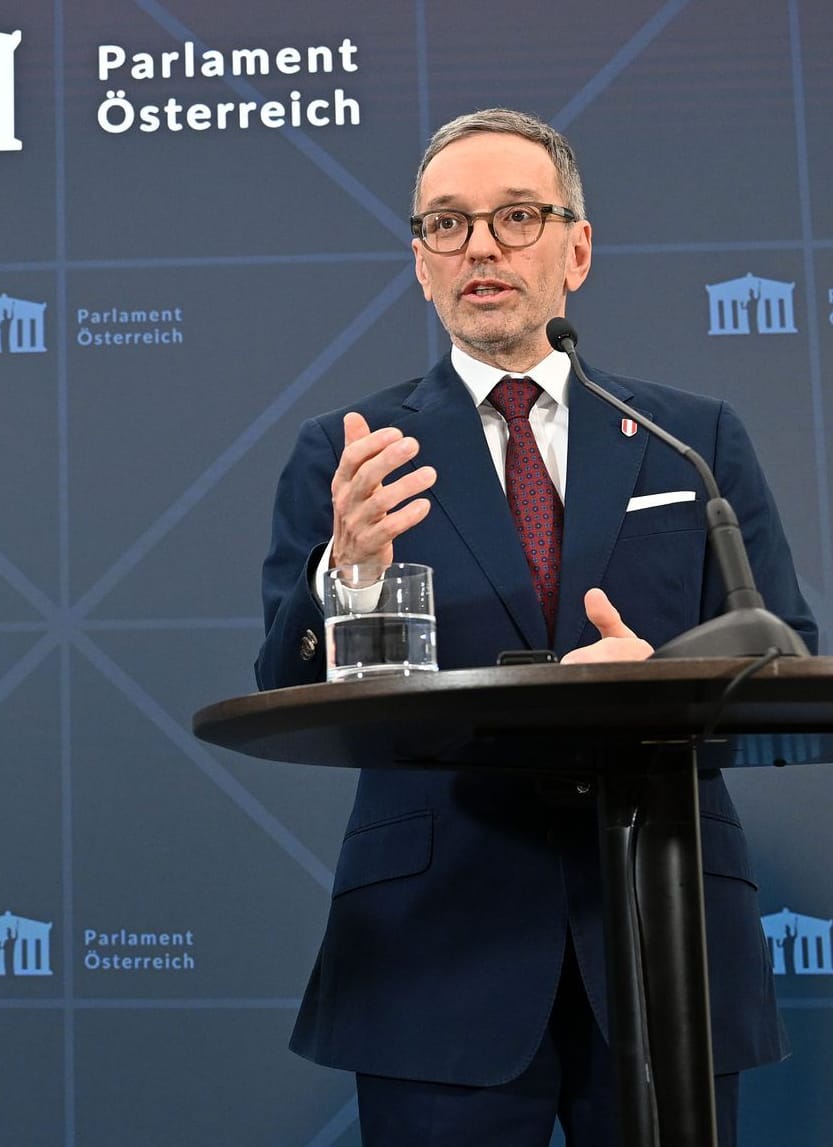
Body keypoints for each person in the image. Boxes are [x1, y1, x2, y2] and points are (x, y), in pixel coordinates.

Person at [254, 107, 815, 1145]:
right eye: (445, 225)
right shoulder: (352, 453)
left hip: (661, 931)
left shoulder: (686, 441)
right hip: (437, 945)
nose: (479, 247)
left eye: (516, 217)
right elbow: (295, 688)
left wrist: (661, 681)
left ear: (577, 248)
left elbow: (777, 648)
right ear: (418, 265)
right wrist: (347, 573)